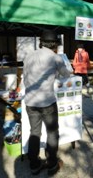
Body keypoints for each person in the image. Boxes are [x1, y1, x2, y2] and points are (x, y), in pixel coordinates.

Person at [22, 30, 71, 176]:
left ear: (41, 42)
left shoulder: (29, 55)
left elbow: (24, 77)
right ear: (55, 44)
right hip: (47, 102)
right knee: (52, 132)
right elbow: (66, 74)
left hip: (30, 101)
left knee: (34, 132)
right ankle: (52, 164)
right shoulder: (55, 58)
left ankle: (34, 165)